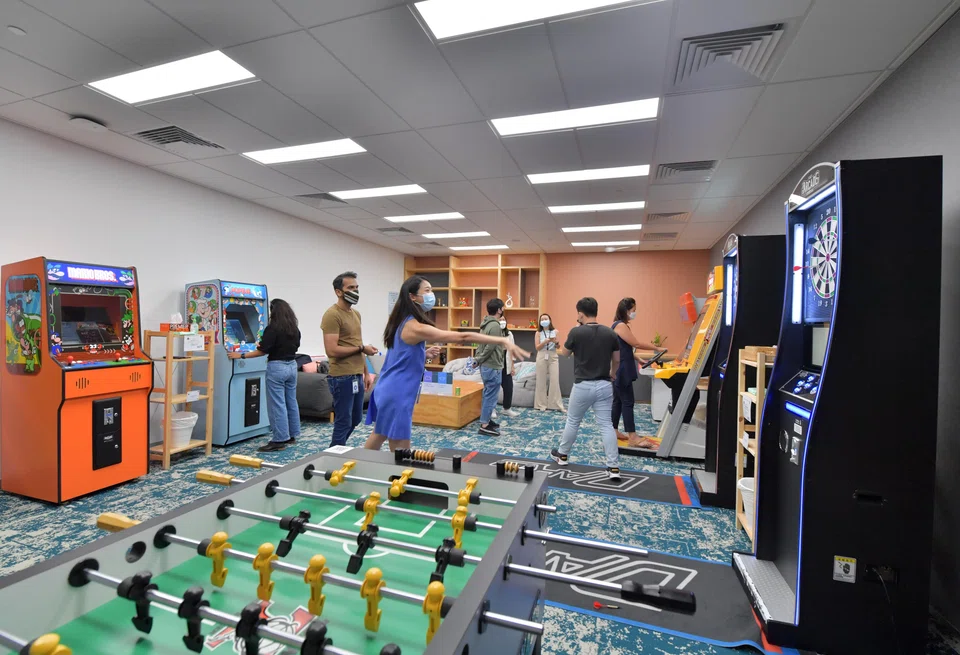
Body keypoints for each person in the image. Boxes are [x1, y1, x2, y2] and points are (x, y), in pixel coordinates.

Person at [364, 277, 529, 452]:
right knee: (400, 448)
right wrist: (503, 340)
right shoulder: (414, 327)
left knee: (380, 434)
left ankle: (358, 466)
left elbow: (399, 355)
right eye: (426, 291)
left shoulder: (402, 321)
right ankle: (394, 475)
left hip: (390, 387)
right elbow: (462, 337)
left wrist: (423, 353)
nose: (431, 294)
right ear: (413, 297)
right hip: (398, 392)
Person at [550, 297, 622, 480]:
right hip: (605, 385)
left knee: (573, 421)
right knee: (606, 425)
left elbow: (565, 354)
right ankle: (613, 467)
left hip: (583, 385)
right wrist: (613, 373)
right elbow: (617, 359)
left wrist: (568, 338)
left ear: (580, 314)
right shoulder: (610, 333)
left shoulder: (576, 332)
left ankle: (563, 455)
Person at [228, 299, 301, 452]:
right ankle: (292, 435)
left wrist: (240, 355)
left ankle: (279, 439)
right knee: (291, 402)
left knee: (277, 404)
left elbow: (263, 350)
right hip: (292, 366)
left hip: (277, 368)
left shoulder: (273, 329)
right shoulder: (294, 329)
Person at [321, 271, 378, 448]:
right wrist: (362, 348)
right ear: (339, 291)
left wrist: (366, 372)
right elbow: (331, 350)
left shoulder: (356, 314)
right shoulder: (332, 315)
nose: (355, 291)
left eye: (357, 287)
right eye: (350, 288)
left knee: (355, 419)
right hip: (341, 377)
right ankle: (334, 454)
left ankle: (337, 448)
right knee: (343, 421)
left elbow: (357, 343)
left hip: (356, 375)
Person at [611, 297, 660, 449]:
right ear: (626, 311)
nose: (635, 313)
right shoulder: (620, 326)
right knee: (627, 401)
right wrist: (656, 348)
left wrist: (638, 358)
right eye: (633, 311)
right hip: (622, 368)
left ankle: (613, 430)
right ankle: (632, 436)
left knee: (618, 401)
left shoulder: (620, 325)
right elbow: (636, 343)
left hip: (621, 366)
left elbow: (625, 348)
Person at [474, 298, 506, 436]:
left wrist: (478, 359)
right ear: (499, 310)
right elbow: (490, 347)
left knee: (489, 394)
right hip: (491, 365)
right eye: (502, 308)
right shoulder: (494, 326)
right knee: (490, 395)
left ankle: (486, 420)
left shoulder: (486, 324)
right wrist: (479, 359)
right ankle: (484, 425)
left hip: (488, 365)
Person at [534, 313, 564, 411]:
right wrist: (544, 342)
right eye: (542, 319)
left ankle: (554, 404)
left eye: (546, 318)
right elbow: (537, 347)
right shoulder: (538, 333)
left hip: (553, 356)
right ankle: (541, 404)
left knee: (554, 380)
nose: (544, 321)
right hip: (542, 355)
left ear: (550, 320)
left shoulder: (555, 331)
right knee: (541, 380)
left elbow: (558, 347)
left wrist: (556, 342)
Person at [498, 315, 518, 418]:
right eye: (500, 320)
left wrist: (512, 366)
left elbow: (512, 350)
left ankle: (507, 408)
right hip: (496, 361)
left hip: (506, 362)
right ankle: (491, 409)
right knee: (494, 387)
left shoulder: (509, 333)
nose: (502, 322)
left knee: (508, 387)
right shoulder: (493, 332)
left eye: (503, 320)